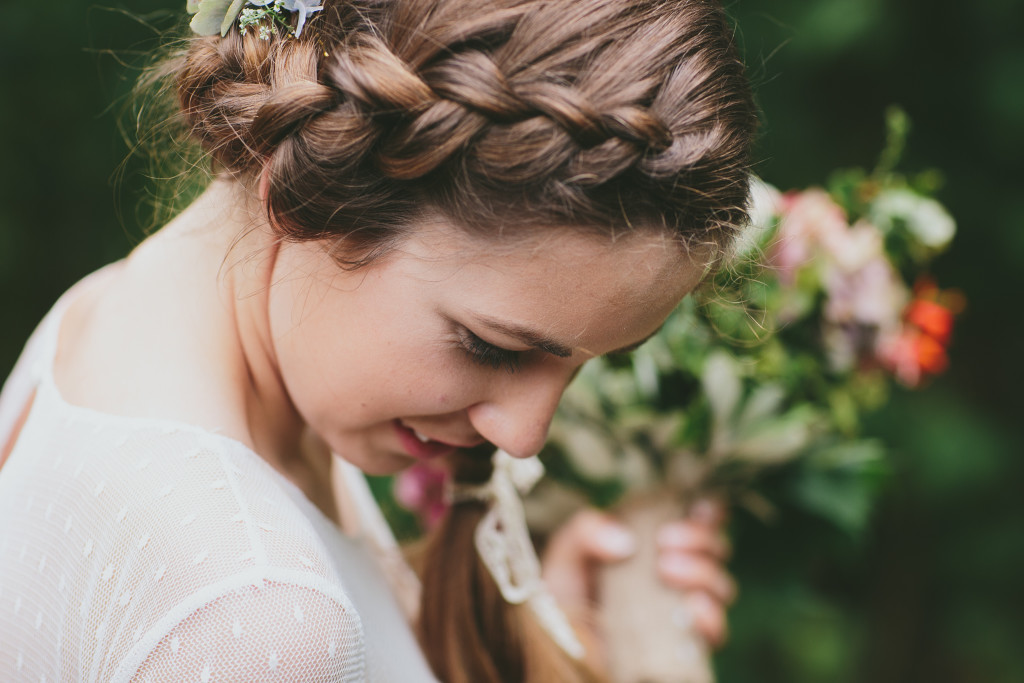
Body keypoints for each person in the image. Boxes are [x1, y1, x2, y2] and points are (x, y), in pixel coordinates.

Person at [0, 0, 755, 680]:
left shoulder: (117, 319)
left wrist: (536, 631)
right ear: (305, 202)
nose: (525, 437)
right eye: (490, 346)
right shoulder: (258, 619)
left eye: (587, 364)